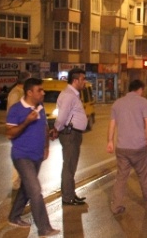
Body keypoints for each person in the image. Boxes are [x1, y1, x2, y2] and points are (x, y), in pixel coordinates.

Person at [6, 78, 60, 237]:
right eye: (40, 90)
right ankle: (44, 228)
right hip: (22, 155)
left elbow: (44, 126)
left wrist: (46, 147)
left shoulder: (41, 107)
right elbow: (9, 133)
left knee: (26, 187)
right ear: (30, 92)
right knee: (35, 191)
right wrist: (26, 122)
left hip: (37, 155)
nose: (43, 93)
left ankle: (14, 216)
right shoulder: (16, 110)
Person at [107, 79, 147, 215]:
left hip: (122, 148)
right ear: (140, 89)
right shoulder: (144, 102)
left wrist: (110, 141)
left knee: (121, 178)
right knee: (144, 176)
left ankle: (116, 206)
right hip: (139, 147)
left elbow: (112, 124)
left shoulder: (117, 103)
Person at [54, 68, 88, 206]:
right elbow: (62, 116)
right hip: (70, 134)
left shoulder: (73, 94)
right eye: (82, 79)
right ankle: (67, 197)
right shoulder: (69, 95)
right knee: (68, 166)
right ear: (75, 80)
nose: (84, 82)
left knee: (71, 166)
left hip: (73, 133)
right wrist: (56, 129)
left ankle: (71, 193)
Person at [7, 71, 32, 191]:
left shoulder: (22, 93)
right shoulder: (15, 94)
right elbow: (13, 114)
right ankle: (16, 183)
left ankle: (22, 181)